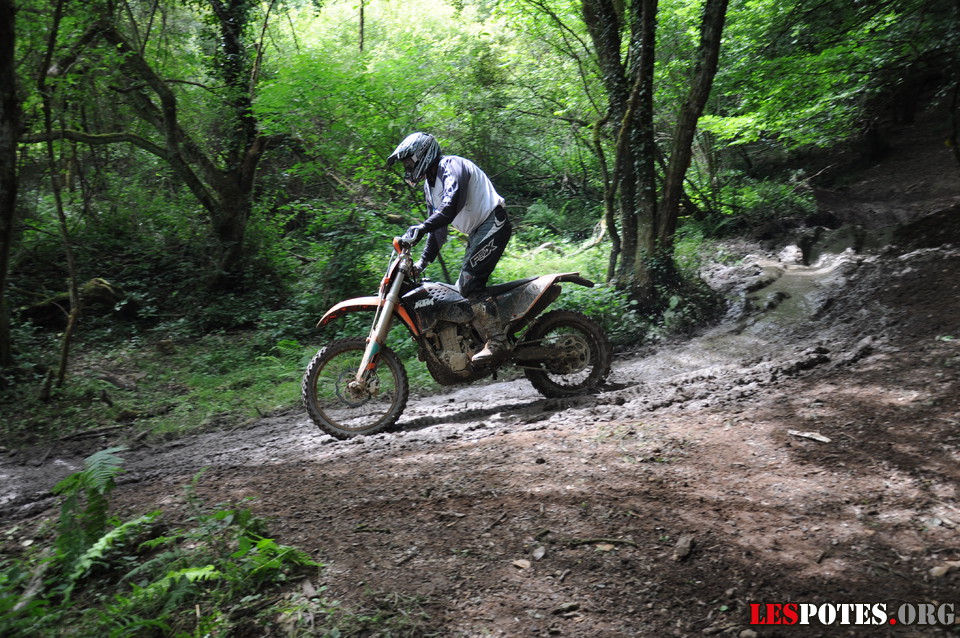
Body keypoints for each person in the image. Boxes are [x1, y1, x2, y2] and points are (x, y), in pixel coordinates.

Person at [386, 132, 512, 363]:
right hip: (478, 231)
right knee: (462, 290)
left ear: (422, 154)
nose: (407, 168)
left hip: (493, 223)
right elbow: (438, 230)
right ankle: (477, 340)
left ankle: (498, 341)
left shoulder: (451, 166)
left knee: (470, 283)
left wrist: (421, 228)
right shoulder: (429, 186)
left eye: (409, 162)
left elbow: (449, 207)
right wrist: (422, 263)